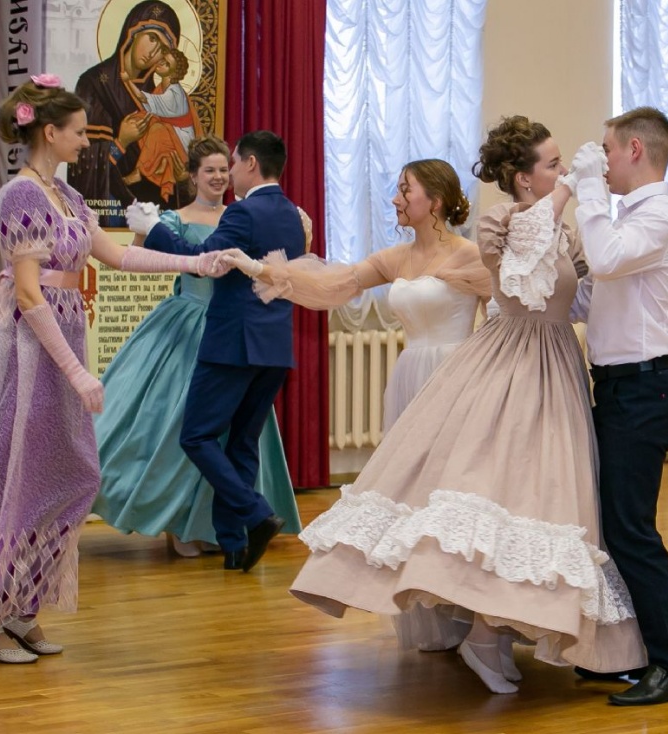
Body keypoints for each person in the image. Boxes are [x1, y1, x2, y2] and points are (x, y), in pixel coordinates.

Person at [256, 116, 644, 695]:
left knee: (544, 500)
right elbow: (521, 282)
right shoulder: (500, 223)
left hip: (556, 365)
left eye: (563, 163)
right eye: (553, 164)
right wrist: (274, 272)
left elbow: (578, 290)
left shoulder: (560, 227)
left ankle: (501, 626)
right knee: (489, 496)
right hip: (510, 364)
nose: (563, 170)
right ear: (523, 178)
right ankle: (479, 632)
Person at [0, 75, 226, 664]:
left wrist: (197, 261)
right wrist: (78, 373)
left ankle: (20, 608)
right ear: (50, 132)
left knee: (71, 475)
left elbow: (120, 255)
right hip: (27, 355)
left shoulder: (70, 198)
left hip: (61, 347)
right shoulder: (19, 196)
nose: (88, 143)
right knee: (10, 476)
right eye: (80, 133)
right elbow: (31, 297)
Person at [92, 135, 300, 558]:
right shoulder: (290, 214)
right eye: (211, 169)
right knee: (232, 441)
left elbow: (204, 263)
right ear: (192, 176)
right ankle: (233, 540)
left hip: (229, 336)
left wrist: (154, 231)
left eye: (228, 166)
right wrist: (151, 231)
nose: (223, 175)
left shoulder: (240, 212)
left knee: (200, 436)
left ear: (247, 165)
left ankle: (250, 516)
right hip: (235, 336)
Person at [562, 107, 668, 706]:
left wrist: (586, 188)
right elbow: (594, 296)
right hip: (618, 386)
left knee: (632, 529)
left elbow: (609, 261)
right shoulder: (622, 220)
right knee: (612, 523)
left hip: (648, 389)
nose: (603, 162)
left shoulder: (659, 215)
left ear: (635, 149)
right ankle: (632, 652)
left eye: (608, 151)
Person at [226, 159, 491, 430]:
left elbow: (499, 320)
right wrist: (258, 268)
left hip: (457, 374)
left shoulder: (471, 255)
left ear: (436, 201)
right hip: (409, 374)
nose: (395, 199)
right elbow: (333, 282)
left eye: (405, 190)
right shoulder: (396, 257)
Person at [71, 0, 184, 225]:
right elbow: (83, 164)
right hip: (112, 213)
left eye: (162, 48)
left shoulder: (160, 96)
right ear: (133, 32)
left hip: (156, 216)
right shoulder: (94, 84)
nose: (152, 52)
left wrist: (179, 176)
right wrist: (121, 142)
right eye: (151, 38)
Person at [134, 48, 200, 200]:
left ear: (173, 71)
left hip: (182, 144)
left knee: (157, 129)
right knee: (144, 122)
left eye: (166, 63)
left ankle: (141, 170)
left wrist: (126, 81)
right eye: (162, 59)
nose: (160, 63)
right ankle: (162, 160)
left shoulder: (174, 94)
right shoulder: (161, 89)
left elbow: (144, 99)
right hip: (172, 135)